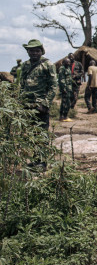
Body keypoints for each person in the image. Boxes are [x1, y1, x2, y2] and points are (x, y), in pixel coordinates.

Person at [18, 39, 57, 168]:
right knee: (31, 135)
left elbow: (53, 86)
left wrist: (45, 103)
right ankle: (36, 160)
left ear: (41, 51)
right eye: (31, 50)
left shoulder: (48, 65)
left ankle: (43, 162)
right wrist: (19, 101)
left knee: (42, 134)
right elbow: (21, 84)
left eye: (36, 50)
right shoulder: (25, 65)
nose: (34, 53)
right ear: (28, 52)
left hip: (41, 106)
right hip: (27, 106)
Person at [58, 58, 74, 122]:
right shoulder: (62, 68)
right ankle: (63, 117)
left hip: (69, 88)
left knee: (66, 102)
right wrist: (63, 89)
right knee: (65, 103)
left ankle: (64, 116)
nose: (69, 63)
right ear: (64, 62)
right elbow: (62, 79)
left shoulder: (68, 68)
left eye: (69, 62)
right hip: (65, 88)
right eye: (67, 62)